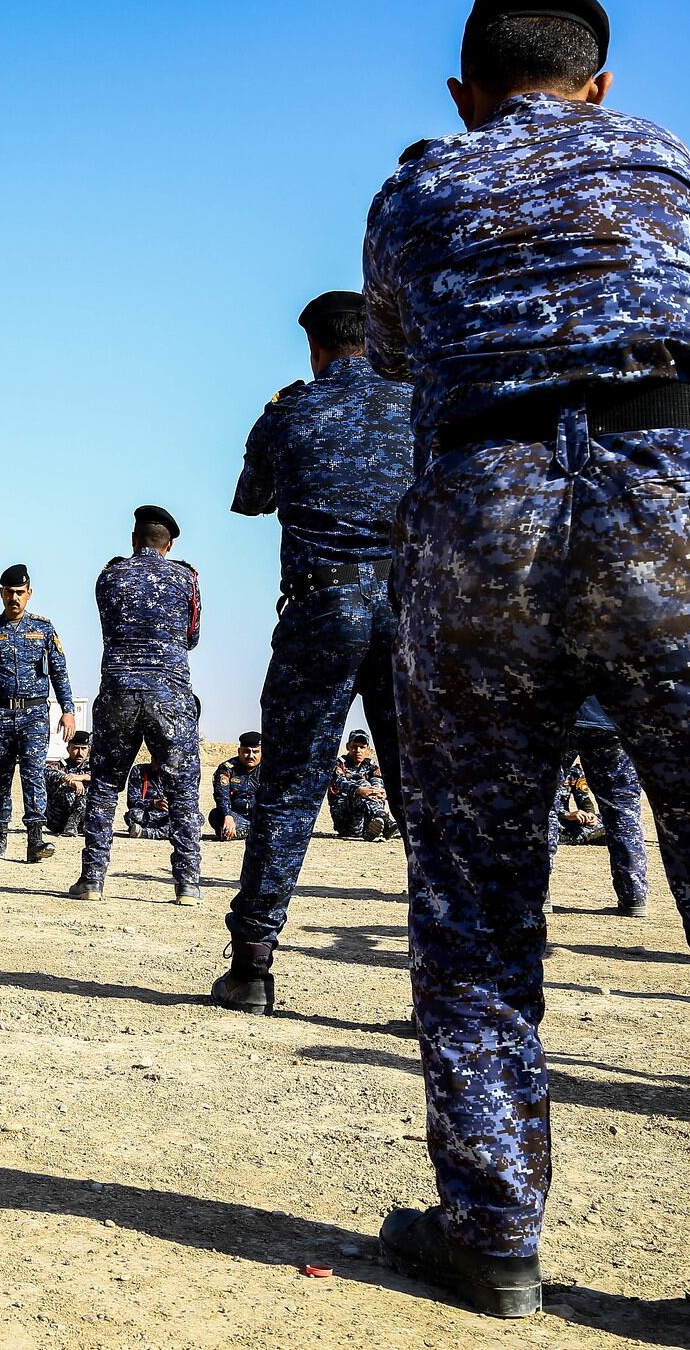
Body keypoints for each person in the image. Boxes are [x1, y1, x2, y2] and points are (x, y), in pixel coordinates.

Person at [364, 0, 690, 1340]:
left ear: (464, 91)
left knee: (474, 899)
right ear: (596, 84)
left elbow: (408, 352)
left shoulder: (413, 191)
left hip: (485, 510)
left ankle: (490, 1237)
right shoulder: (665, 154)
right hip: (684, 501)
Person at [216, 288, 412, 1012]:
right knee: (422, 798)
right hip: (407, 612)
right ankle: (446, 983)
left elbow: (252, 497)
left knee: (290, 791)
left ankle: (252, 967)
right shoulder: (420, 404)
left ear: (315, 348)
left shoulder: (288, 411)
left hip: (319, 611)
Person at [67, 506, 202, 905]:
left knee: (106, 784)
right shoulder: (186, 578)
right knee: (182, 789)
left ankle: (92, 879)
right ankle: (187, 884)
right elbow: (192, 637)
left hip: (118, 692)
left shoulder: (109, 576)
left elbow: (109, 627)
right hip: (170, 696)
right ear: (170, 544)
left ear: (134, 539)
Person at [0, 563, 76, 861]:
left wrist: (68, 710)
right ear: (1, 593)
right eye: (10, 592)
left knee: (33, 774)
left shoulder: (44, 629)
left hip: (35, 714)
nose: (15, 598)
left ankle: (35, 841)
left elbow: (59, 673)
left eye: (20, 593)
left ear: (29, 594)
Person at [557, 698, 649, 914]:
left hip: (562, 718)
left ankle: (538, 895)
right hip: (612, 722)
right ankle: (633, 896)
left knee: (542, 804)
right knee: (623, 809)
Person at [326, 731, 392, 840]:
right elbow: (340, 782)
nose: (358, 751)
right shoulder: (339, 764)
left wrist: (378, 791)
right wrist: (359, 790)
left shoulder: (370, 765)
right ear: (348, 746)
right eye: (354, 747)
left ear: (368, 750)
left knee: (376, 782)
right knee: (363, 784)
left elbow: (379, 786)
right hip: (345, 820)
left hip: (365, 819)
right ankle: (385, 820)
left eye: (362, 747)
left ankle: (373, 828)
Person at [210, 732, 262, 840]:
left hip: (261, 817)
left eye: (255, 752)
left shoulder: (269, 770)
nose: (251, 756)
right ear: (239, 751)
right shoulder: (227, 769)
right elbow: (221, 794)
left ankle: (251, 831)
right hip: (236, 816)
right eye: (246, 751)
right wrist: (227, 815)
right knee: (215, 815)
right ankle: (252, 831)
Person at [42, 731, 92, 838]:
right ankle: (70, 825)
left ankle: (74, 823)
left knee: (92, 787)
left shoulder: (92, 768)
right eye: (75, 748)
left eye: (83, 749)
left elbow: (102, 776)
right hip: (58, 820)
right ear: (68, 748)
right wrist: (70, 781)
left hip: (85, 823)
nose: (79, 752)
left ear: (88, 750)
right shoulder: (60, 765)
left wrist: (82, 777)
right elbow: (47, 772)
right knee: (65, 786)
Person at [553, 759, 603, 842]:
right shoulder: (537, 769)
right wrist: (566, 814)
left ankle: (563, 838)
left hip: (565, 822)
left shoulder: (574, 772)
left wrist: (590, 814)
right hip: (546, 819)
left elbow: (584, 799)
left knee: (609, 820)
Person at [123, 756, 174, 839]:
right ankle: (170, 831)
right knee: (133, 814)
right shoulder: (139, 771)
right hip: (149, 815)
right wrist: (153, 803)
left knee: (194, 817)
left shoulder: (175, 774)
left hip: (169, 815)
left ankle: (144, 832)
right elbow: (132, 801)